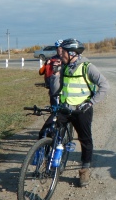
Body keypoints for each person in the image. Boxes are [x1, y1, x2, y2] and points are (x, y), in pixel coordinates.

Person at [39, 38, 109, 187]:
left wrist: (90, 103)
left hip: (81, 110)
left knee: (85, 139)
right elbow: (55, 90)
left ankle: (84, 169)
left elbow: (104, 86)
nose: (60, 54)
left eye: (63, 52)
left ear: (72, 53)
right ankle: (46, 161)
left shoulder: (87, 67)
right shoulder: (63, 66)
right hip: (65, 108)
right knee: (47, 131)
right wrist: (55, 74)